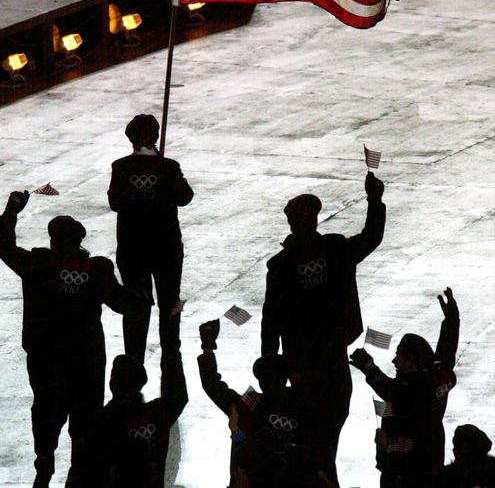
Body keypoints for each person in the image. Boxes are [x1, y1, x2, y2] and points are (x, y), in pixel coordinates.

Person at [0, 190, 143, 488]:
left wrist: (12, 211)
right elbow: (122, 302)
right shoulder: (97, 270)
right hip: (86, 363)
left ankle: (45, 466)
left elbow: (3, 246)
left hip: (46, 361)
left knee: (45, 416)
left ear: (54, 240)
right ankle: (80, 472)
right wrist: (141, 295)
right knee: (86, 424)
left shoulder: (39, 264)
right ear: (80, 241)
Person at [260, 171, 386, 481]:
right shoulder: (335, 250)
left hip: (300, 367)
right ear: (315, 220)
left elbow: (270, 321)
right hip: (332, 363)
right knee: (326, 439)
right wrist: (374, 200)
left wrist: (271, 370)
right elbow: (372, 237)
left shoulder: (281, 266)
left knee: (310, 441)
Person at [197, 319, 331, 488]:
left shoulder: (252, 403)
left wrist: (208, 347)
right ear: (286, 379)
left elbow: (213, 386)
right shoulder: (304, 405)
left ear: (261, 383)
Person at [350, 287, 460, 488]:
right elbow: (446, 353)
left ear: (411, 360)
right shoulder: (438, 376)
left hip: (406, 472)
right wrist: (452, 320)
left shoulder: (415, 389)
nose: (394, 361)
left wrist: (369, 368)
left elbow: (397, 393)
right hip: (428, 464)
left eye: (399, 355)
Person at [107, 113, 193, 367]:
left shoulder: (121, 167)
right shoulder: (168, 167)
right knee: (171, 300)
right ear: (155, 136)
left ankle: (134, 355)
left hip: (132, 247)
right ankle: (171, 351)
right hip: (166, 246)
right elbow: (185, 197)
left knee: (135, 301)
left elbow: (115, 202)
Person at [91, 352, 188, 487]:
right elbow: (179, 397)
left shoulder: (103, 422)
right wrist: (172, 353)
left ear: (112, 384)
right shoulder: (154, 414)